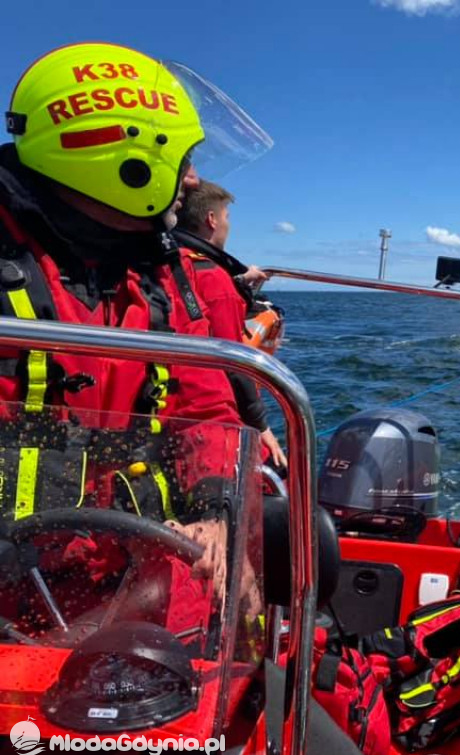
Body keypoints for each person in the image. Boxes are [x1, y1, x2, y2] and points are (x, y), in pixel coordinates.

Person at [0, 42, 253, 632]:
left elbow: (205, 406)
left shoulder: (169, 272)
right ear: (125, 161)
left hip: (139, 575)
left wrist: (217, 511)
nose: (192, 180)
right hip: (18, 590)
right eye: (183, 160)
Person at [176, 179, 287, 468]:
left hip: (174, 400)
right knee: (279, 468)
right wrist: (263, 429)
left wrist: (238, 281)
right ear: (212, 219)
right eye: (227, 216)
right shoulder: (214, 279)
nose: (228, 224)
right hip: (207, 412)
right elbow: (234, 362)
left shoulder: (175, 261)